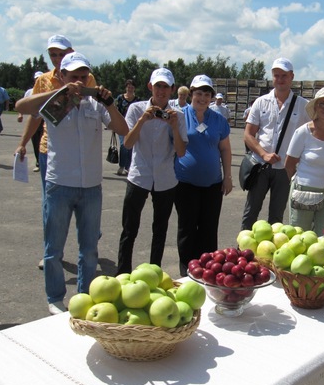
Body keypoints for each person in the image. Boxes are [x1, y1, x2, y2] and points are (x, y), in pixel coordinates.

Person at [15, 52, 128, 314]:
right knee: (53, 248)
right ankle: (55, 297)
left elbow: (122, 130)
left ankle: (84, 295)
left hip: (91, 186)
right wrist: (62, 92)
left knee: (89, 249)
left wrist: (109, 103)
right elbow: (22, 106)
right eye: (73, 76)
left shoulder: (95, 105)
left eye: (83, 76)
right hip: (59, 183)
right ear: (62, 76)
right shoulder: (56, 101)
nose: (79, 80)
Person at [15, 34, 97, 270]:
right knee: (50, 205)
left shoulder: (86, 77)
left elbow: (92, 110)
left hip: (78, 148)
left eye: (61, 54)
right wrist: (23, 142)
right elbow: (34, 113)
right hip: (48, 147)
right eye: (53, 54)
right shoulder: (43, 80)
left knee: (84, 200)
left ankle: (90, 234)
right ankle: (52, 251)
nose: (57, 58)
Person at [116, 68, 188, 274]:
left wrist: (174, 126)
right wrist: (142, 120)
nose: (161, 91)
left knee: (160, 230)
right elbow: (128, 144)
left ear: (172, 90)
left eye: (166, 86)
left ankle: (154, 272)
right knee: (129, 229)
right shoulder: (136, 109)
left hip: (165, 178)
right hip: (139, 175)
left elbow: (181, 152)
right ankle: (122, 273)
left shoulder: (178, 115)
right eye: (158, 86)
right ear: (150, 87)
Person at [174, 74, 233, 277]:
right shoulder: (179, 116)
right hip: (185, 183)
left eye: (207, 94)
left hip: (212, 184)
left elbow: (225, 149)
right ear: (191, 94)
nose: (203, 98)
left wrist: (228, 177)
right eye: (199, 93)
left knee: (208, 229)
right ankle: (187, 271)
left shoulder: (218, 120)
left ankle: (207, 270)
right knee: (187, 228)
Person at [241, 58, 309, 230]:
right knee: (251, 211)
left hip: (285, 170)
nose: (280, 79)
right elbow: (248, 134)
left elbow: (310, 135)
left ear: (292, 76)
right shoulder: (261, 102)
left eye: (284, 76)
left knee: (277, 216)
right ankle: (242, 251)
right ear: (272, 77)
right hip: (261, 166)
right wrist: (263, 154)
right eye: (276, 76)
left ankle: (270, 252)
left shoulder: (303, 106)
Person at [285, 87, 324, 235]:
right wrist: (302, 183)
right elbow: (289, 164)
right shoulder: (303, 132)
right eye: (322, 104)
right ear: (315, 107)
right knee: (299, 236)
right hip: (304, 191)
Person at [17, 71, 44, 172]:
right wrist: (20, 114)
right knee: (36, 141)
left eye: (40, 78)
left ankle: (42, 161)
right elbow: (23, 105)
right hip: (35, 118)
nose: (38, 80)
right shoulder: (30, 92)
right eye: (37, 79)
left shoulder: (47, 89)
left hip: (45, 119)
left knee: (44, 141)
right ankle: (38, 162)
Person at [114, 79, 140, 176]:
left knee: (130, 146)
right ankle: (121, 166)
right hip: (121, 125)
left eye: (132, 87)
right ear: (126, 87)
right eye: (129, 87)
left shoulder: (137, 100)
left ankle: (128, 167)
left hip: (133, 126)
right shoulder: (120, 98)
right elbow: (116, 111)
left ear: (134, 88)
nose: (130, 89)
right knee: (123, 145)